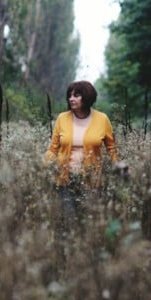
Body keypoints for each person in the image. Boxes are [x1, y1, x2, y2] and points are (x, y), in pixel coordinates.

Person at [44, 80, 119, 223]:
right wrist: (42, 166)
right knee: (69, 221)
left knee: (89, 221)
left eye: (76, 95)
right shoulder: (62, 118)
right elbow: (53, 148)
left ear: (87, 97)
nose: (71, 99)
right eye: (70, 95)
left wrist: (118, 166)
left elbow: (111, 148)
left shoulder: (102, 119)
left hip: (91, 180)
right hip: (65, 179)